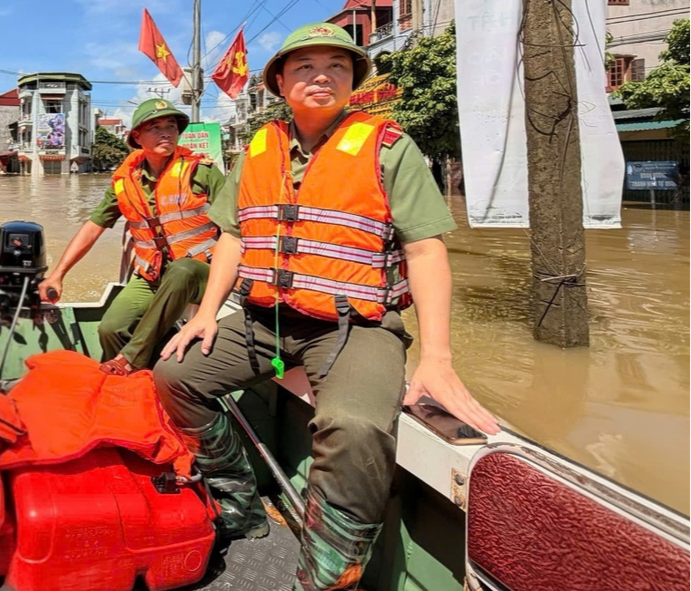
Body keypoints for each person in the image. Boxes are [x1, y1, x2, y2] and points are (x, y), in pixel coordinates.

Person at [153, 23, 500, 591]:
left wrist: (437, 357)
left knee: (354, 425)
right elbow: (234, 240)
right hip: (268, 319)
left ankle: (325, 575)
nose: (321, 76)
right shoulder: (257, 151)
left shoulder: (389, 147)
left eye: (336, 67)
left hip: (355, 326)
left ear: (352, 82)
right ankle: (237, 499)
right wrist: (206, 313)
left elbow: (425, 249)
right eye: (305, 67)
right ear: (280, 83)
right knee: (174, 375)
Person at [39, 99, 225, 376]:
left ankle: (129, 360)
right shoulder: (125, 181)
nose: (166, 133)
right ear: (137, 136)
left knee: (182, 269)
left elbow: (237, 228)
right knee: (110, 328)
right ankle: (143, 381)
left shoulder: (202, 170)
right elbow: (93, 226)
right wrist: (57, 274)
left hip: (203, 272)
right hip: (152, 275)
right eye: (155, 127)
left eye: (171, 126)